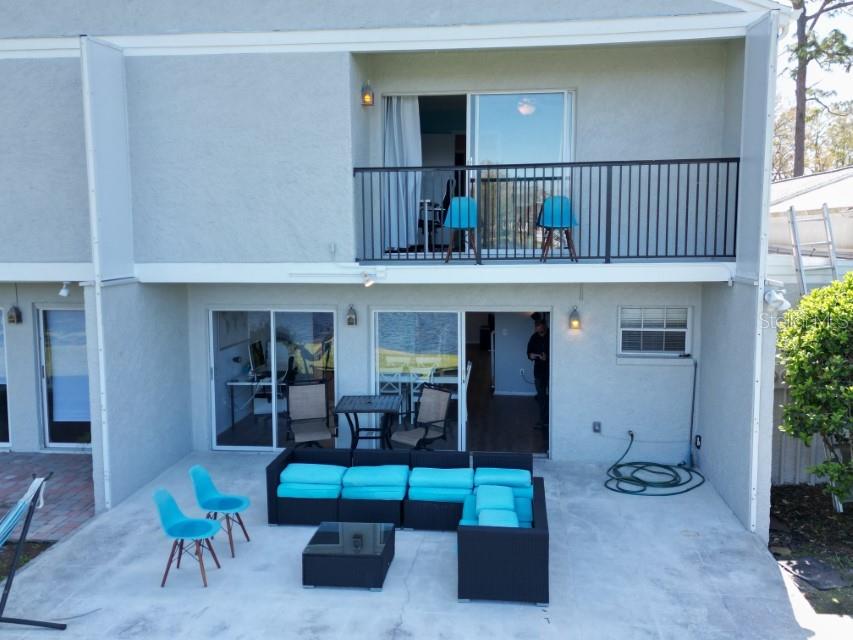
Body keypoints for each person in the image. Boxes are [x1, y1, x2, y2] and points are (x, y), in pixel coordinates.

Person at [527, 319, 549, 428]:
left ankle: (553, 420)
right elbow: (528, 353)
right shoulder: (534, 337)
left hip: (551, 371)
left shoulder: (551, 335)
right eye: (537, 327)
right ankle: (543, 421)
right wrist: (532, 356)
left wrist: (547, 357)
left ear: (544, 326)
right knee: (541, 397)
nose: (538, 328)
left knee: (553, 396)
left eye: (540, 326)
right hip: (539, 371)